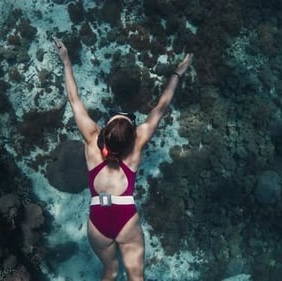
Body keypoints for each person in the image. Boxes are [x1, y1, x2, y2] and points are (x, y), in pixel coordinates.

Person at [54, 37, 193, 281]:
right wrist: (178, 73)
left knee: (110, 271)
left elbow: (74, 100)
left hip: (98, 223)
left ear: (105, 132)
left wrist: (66, 61)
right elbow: (161, 107)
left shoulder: (91, 139)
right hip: (126, 221)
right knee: (136, 277)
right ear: (132, 138)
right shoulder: (137, 145)